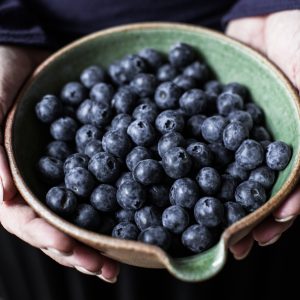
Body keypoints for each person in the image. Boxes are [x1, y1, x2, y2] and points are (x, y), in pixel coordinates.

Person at [0, 0, 299, 299]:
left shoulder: (199, 127)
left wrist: (276, 6)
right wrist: (8, 32)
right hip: (42, 41)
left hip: (238, 28)